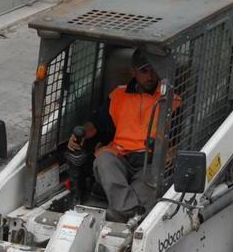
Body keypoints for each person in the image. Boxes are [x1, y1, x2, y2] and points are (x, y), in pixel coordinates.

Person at [67, 48, 177, 222]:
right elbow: (96, 124)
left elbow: (180, 137)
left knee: (151, 180)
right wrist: (81, 134)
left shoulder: (172, 99)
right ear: (133, 71)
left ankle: (120, 210)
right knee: (103, 160)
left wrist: (173, 151)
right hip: (120, 157)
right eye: (144, 71)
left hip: (150, 161)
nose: (150, 76)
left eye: (153, 70)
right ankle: (128, 211)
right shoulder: (118, 96)